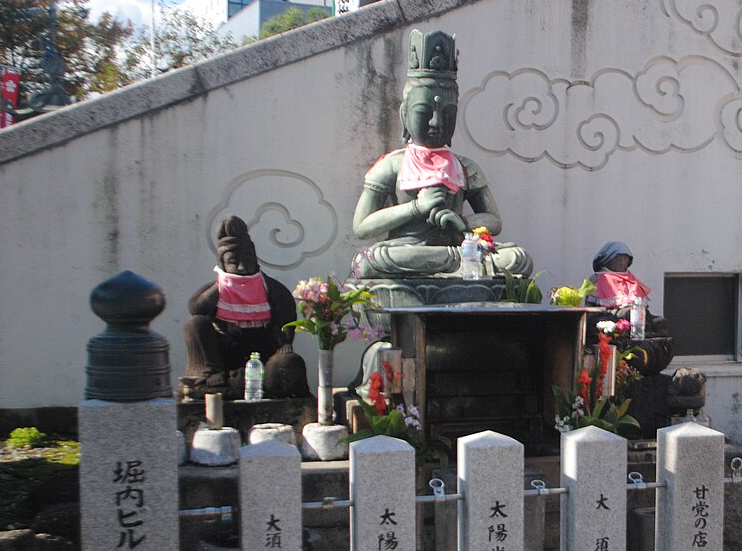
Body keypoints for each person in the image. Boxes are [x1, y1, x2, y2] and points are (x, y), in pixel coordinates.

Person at [351, 29, 532, 279]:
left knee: (517, 259)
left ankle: (455, 267)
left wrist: (463, 223)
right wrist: (415, 208)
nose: (436, 122)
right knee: (370, 261)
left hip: (458, 251)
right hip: (407, 252)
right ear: (405, 115)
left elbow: (494, 220)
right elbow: (362, 227)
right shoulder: (393, 165)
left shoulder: (464, 167)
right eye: (424, 113)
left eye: (447, 114)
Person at [182, 216, 309, 399]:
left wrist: (283, 344)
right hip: (224, 361)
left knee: (289, 363)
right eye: (233, 261)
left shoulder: (270, 289)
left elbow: (286, 319)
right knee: (195, 324)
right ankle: (210, 374)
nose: (242, 267)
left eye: (247, 259)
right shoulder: (216, 290)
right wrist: (222, 287)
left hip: (261, 359)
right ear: (222, 264)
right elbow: (195, 308)